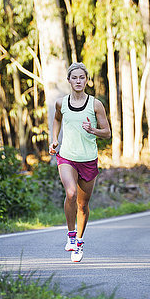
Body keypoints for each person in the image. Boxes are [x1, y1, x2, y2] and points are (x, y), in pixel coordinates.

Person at [49, 62, 111, 262]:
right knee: (71, 193)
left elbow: (107, 133)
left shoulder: (95, 104)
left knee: (83, 205)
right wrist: (54, 139)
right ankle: (71, 235)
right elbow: (57, 120)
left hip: (88, 159)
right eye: (74, 78)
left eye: (81, 78)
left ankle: (80, 243)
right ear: (69, 80)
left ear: (86, 80)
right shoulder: (61, 103)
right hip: (67, 156)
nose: (78, 81)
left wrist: (93, 130)